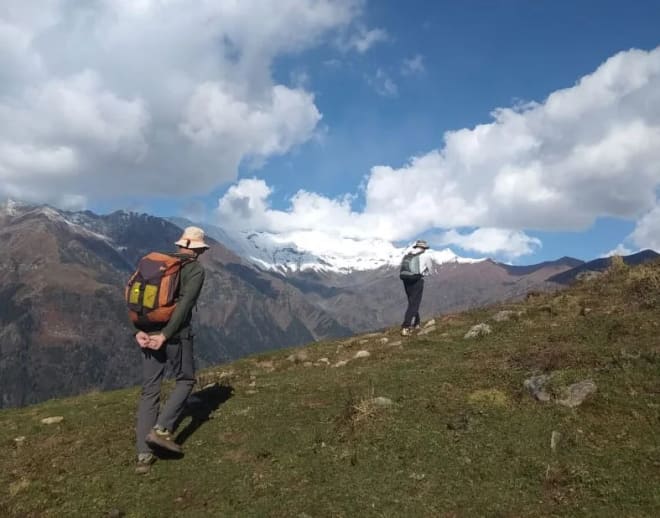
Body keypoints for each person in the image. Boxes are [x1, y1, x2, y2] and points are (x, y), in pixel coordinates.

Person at [134, 226, 208, 474]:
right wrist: (166, 335)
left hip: (147, 331)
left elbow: (136, 300)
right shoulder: (194, 269)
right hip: (176, 335)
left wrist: (138, 330)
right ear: (197, 249)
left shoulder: (156, 263)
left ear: (180, 244)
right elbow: (185, 305)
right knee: (185, 380)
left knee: (150, 390)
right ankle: (161, 430)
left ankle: (143, 458)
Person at [399, 239, 431, 336]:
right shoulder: (425, 256)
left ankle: (417, 322)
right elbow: (430, 270)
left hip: (405, 279)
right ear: (424, 248)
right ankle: (406, 326)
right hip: (417, 280)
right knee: (414, 304)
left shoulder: (407, 255)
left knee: (411, 302)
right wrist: (425, 273)